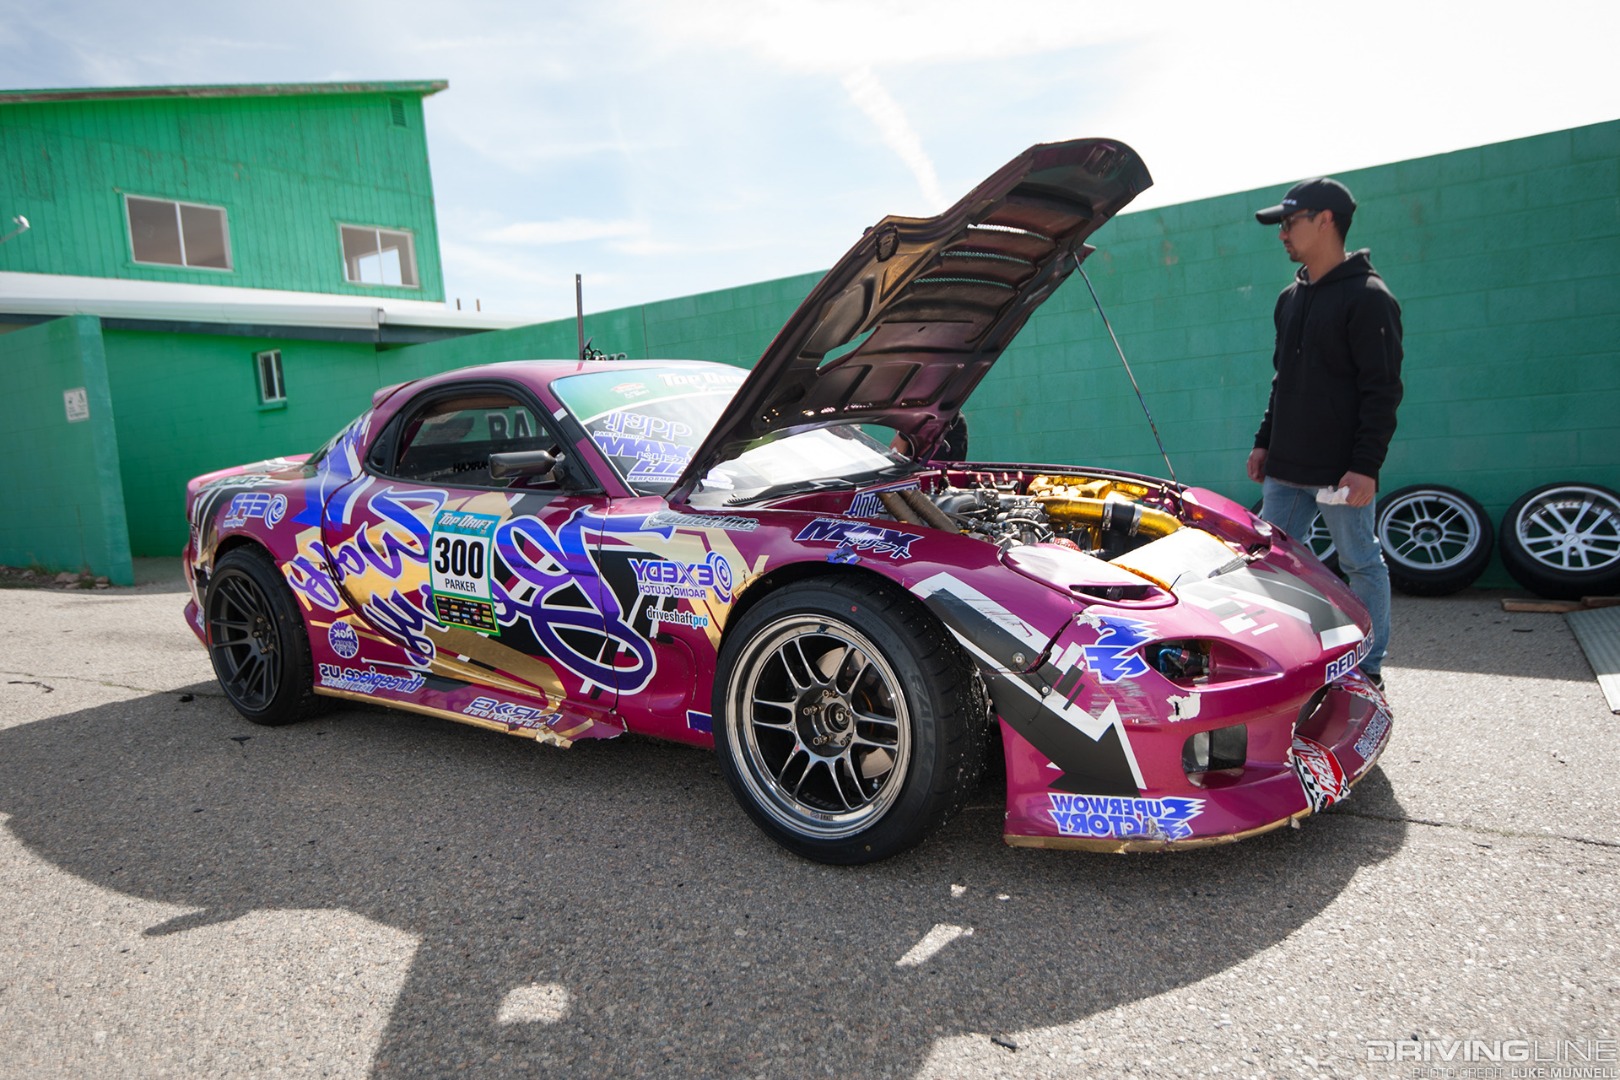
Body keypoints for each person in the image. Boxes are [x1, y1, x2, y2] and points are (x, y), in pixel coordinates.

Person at [1247, 178, 1403, 691]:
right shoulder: (1289, 298)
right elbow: (1282, 380)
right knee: (1270, 565)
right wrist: (1264, 440)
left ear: (1326, 221)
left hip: (1340, 472)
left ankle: (1368, 669)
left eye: (1289, 223)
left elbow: (1382, 390)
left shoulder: (1370, 298)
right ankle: (1292, 661)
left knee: (1361, 563)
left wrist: (1365, 466)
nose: (1282, 234)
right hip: (1286, 467)